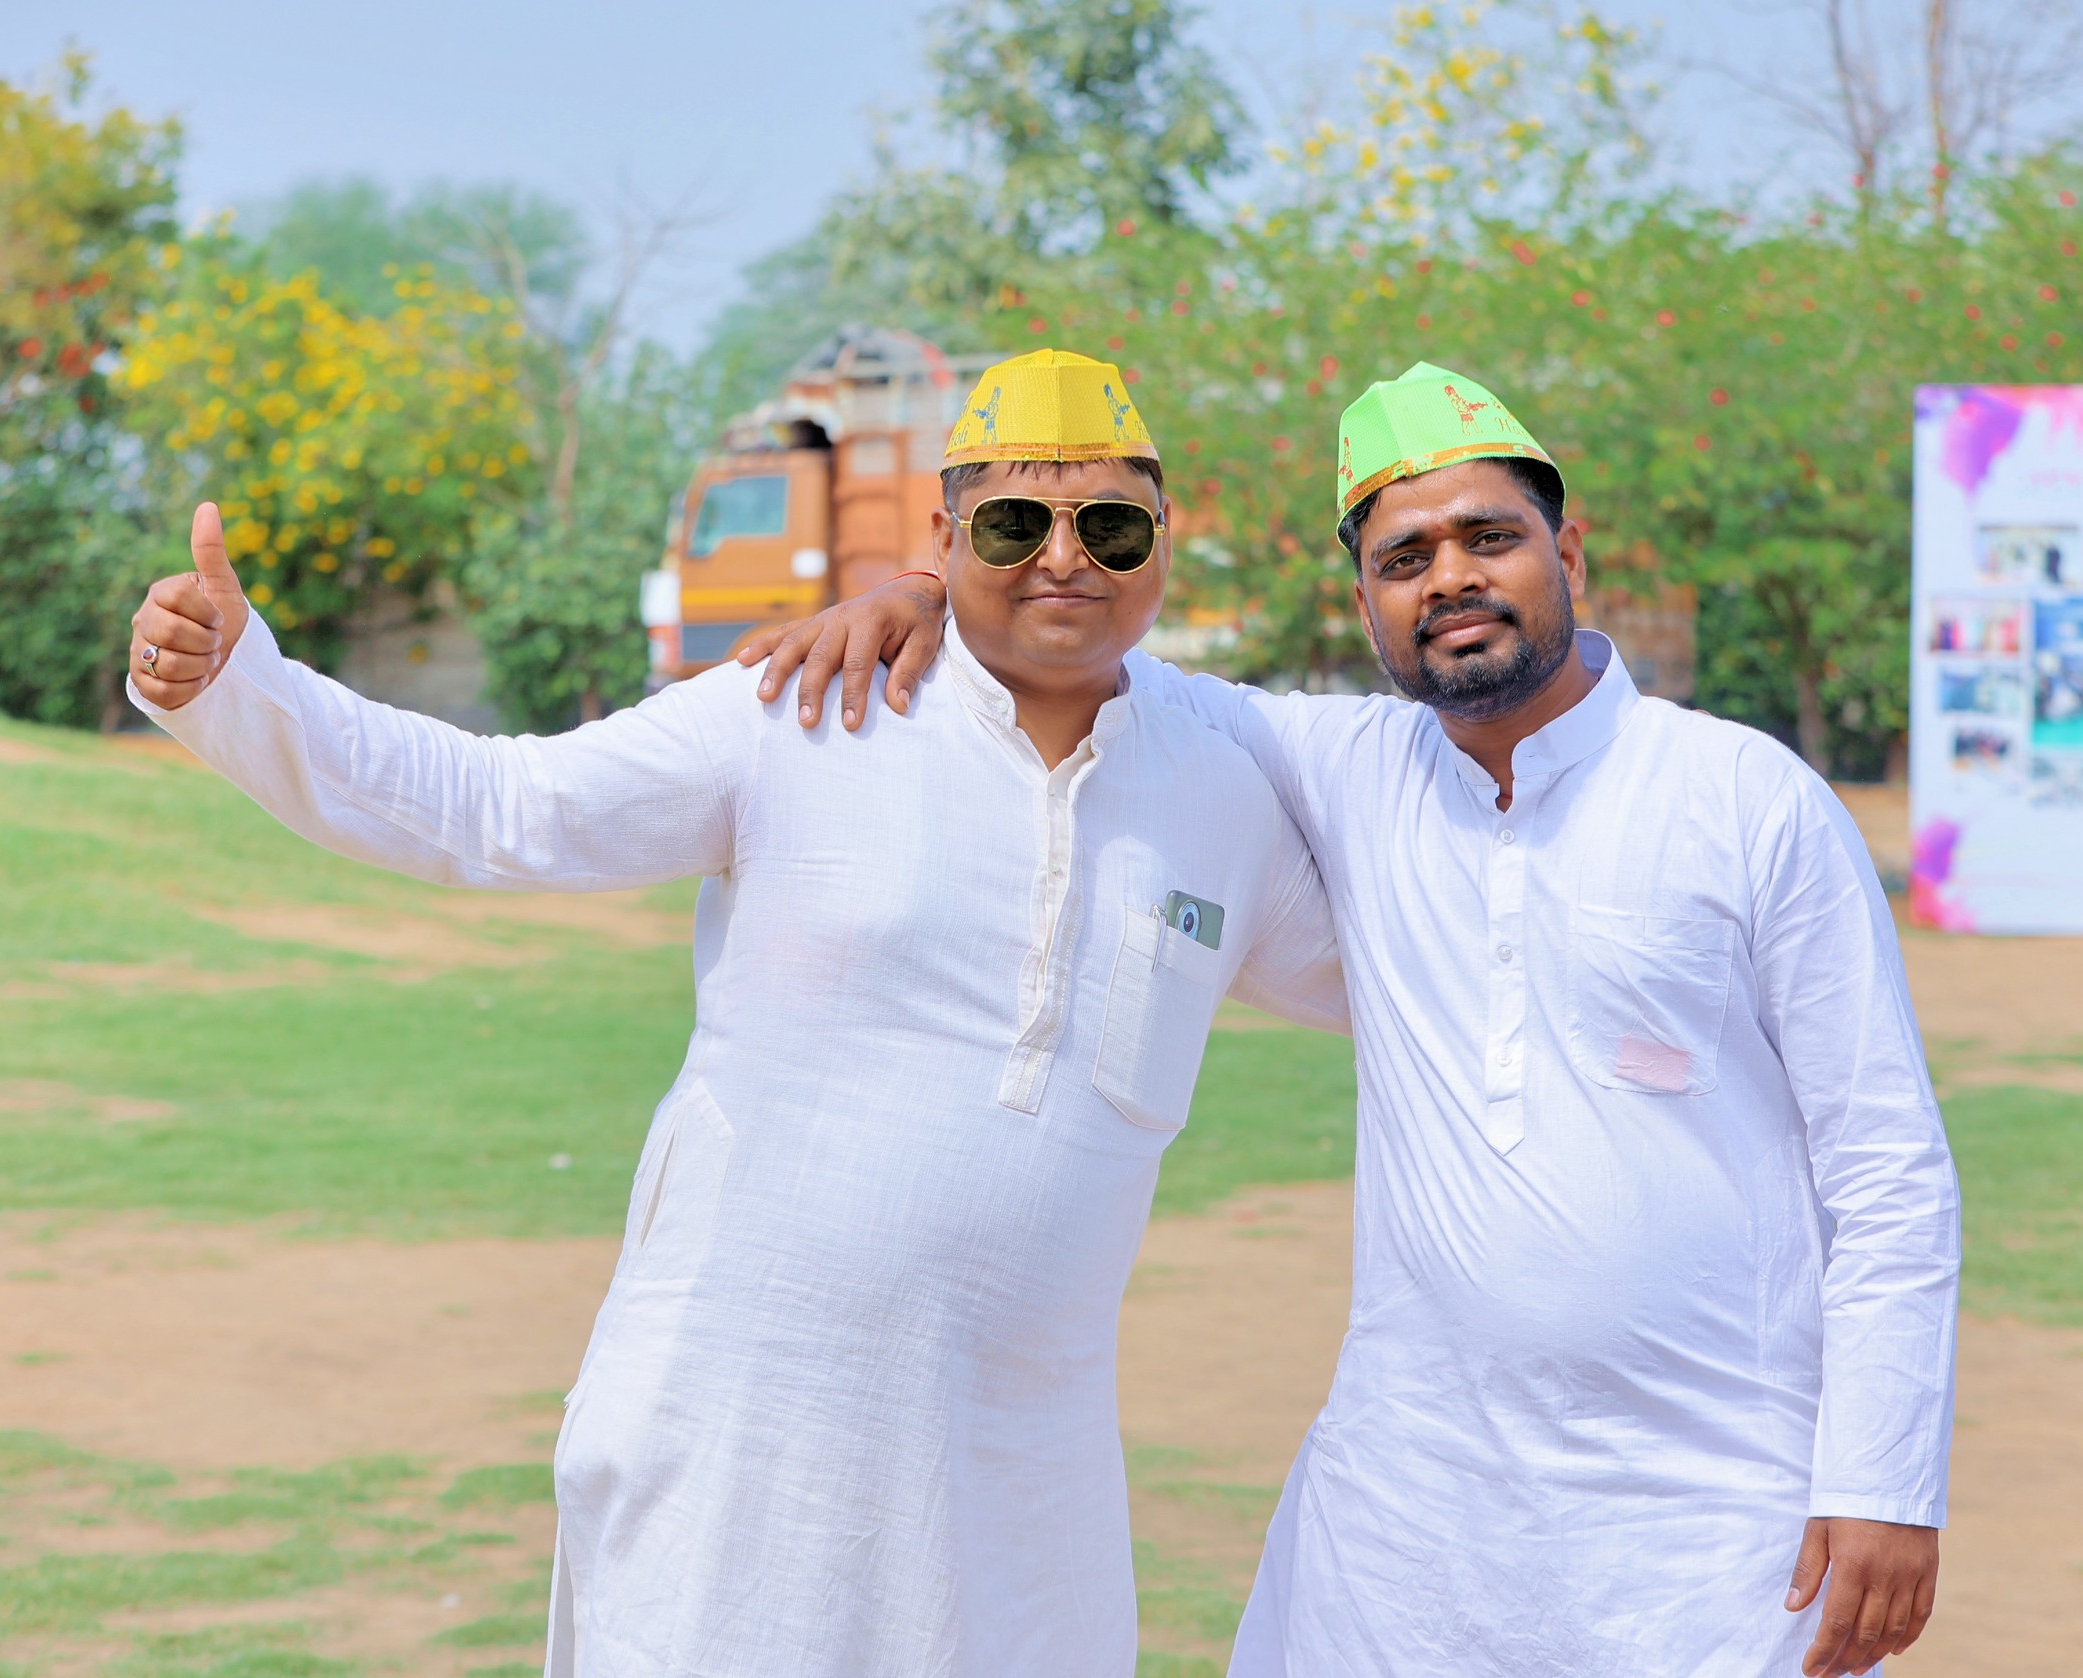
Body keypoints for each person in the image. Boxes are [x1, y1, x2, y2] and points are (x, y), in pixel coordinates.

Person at [123, 348, 1347, 1678]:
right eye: (1013, 524)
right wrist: (244, 685)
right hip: (736, 1454)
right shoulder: (804, 708)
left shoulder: (1216, 794)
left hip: (1022, 1497)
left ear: (1164, 542)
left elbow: (1401, 981)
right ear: (943, 539)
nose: (1065, 558)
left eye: (1110, 526)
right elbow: (497, 808)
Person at [745, 362, 1962, 1678]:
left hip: (1706, 1525)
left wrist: (1882, 1479)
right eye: (1404, 559)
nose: (1450, 578)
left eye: (1488, 537)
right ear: (1366, 602)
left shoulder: (1744, 798)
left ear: (1568, 552)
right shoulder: (1351, 772)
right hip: (1402, 1526)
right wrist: (921, 589)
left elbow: (1886, 1170)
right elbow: (1082, 646)